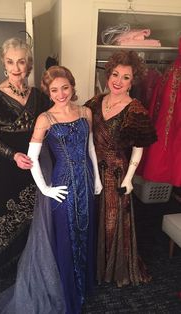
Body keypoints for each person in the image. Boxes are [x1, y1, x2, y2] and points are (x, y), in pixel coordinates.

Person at [0, 65, 103, 314]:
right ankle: (67, 292)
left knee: (85, 232)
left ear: (72, 86)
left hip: (85, 180)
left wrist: (96, 178)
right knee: (66, 236)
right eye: (54, 90)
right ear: (49, 92)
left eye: (65, 87)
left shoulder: (86, 112)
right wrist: (46, 189)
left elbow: (91, 148)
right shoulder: (46, 118)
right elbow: (32, 159)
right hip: (62, 185)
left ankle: (82, 287)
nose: (61, 93)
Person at [0, 37, 50, 280]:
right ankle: (5, 263)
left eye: (21, 62)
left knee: (36, 211)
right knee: (5, 211)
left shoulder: (37, 95)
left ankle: (31, 258)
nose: (16, 68)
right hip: (8, 165)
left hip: (34, 161)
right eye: (10, 62)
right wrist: (14, 156)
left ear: (29, 64)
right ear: (3, 63)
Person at [85, 50, 157, 287]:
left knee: (112, 223)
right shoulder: (96, 102)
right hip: (92, 168)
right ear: (108, 75)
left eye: (125, 77)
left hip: (116, 173)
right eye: (115, 74)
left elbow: (138, 148)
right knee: (92, 218)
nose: (118, 81)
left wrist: (129, 179)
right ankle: (93, 264)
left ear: (132, 81)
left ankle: (113, 268)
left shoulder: (135, 109)